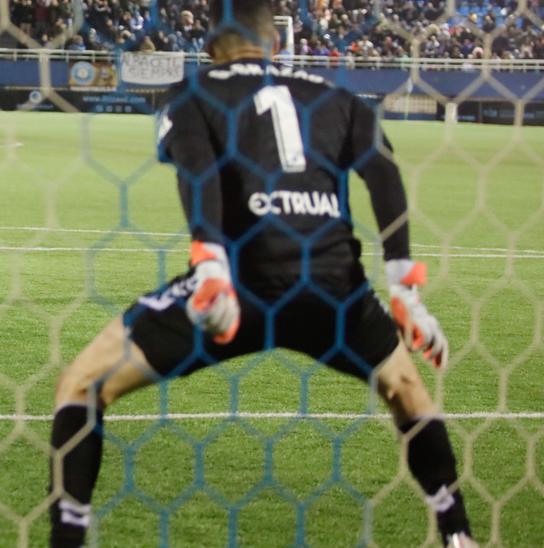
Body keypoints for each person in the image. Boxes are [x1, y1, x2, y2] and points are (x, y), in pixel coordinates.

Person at [45, 2, 475, 547]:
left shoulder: (196, 93)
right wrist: (405, 290)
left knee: (81, 384)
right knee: (406, 388)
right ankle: (458, 535)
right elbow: (383, 175)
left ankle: (68, 539)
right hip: (331, 286)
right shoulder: (336, 95)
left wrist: (212, 265)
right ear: (276, 44)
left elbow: (199, 174)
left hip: (238, 287)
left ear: (209, 49)